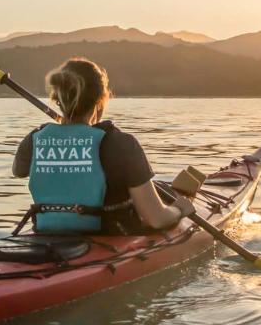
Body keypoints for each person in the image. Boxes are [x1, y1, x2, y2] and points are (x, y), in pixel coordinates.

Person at [12, 58, 194, 234]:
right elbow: (156, 219)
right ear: (101, 98)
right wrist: (179, 209)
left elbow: (18, 171)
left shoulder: (35, 139)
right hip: (111, 237)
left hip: (48, 237)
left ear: (57, 99)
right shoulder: (121, 144)